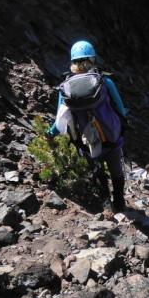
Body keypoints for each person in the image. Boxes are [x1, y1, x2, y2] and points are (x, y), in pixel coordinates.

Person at [47, 40, 128, 216]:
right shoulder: (105, 81)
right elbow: (121, 109)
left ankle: (107, 206)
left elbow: (60, 119)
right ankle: (120, 202)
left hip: (87, 140)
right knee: (116, 170)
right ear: (92, 58)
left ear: (72, 61)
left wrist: (50, 134)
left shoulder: (65, 87)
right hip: (111, 137)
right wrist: (123, 125)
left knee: (97, 170)